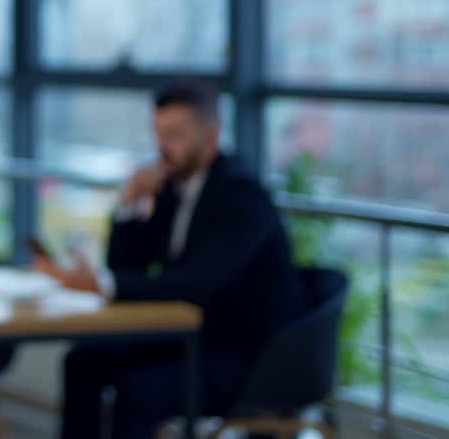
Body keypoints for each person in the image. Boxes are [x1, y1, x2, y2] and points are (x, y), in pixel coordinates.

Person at [35, 81, 305, 439]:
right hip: (188, 338)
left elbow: (196, 284)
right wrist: (131, 202)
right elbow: (128, 268)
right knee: (84, 360)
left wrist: (103, 284)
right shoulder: (173, 187)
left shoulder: (241, 195)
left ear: (211, 137)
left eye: (175, 135)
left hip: (245, 356)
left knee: (138, 391)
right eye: (159, 135)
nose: (163, 148)